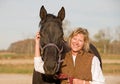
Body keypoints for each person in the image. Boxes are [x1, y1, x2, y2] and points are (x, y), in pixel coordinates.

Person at [34, 27, 105, 84]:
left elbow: (100, 82)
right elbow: (38, 67)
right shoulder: (62, 58)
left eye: (80, 40)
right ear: (70, 40)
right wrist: (37, 43)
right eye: (74, 39)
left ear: (84, 43)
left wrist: (82, 82)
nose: (76, 42)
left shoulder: (92, 59)